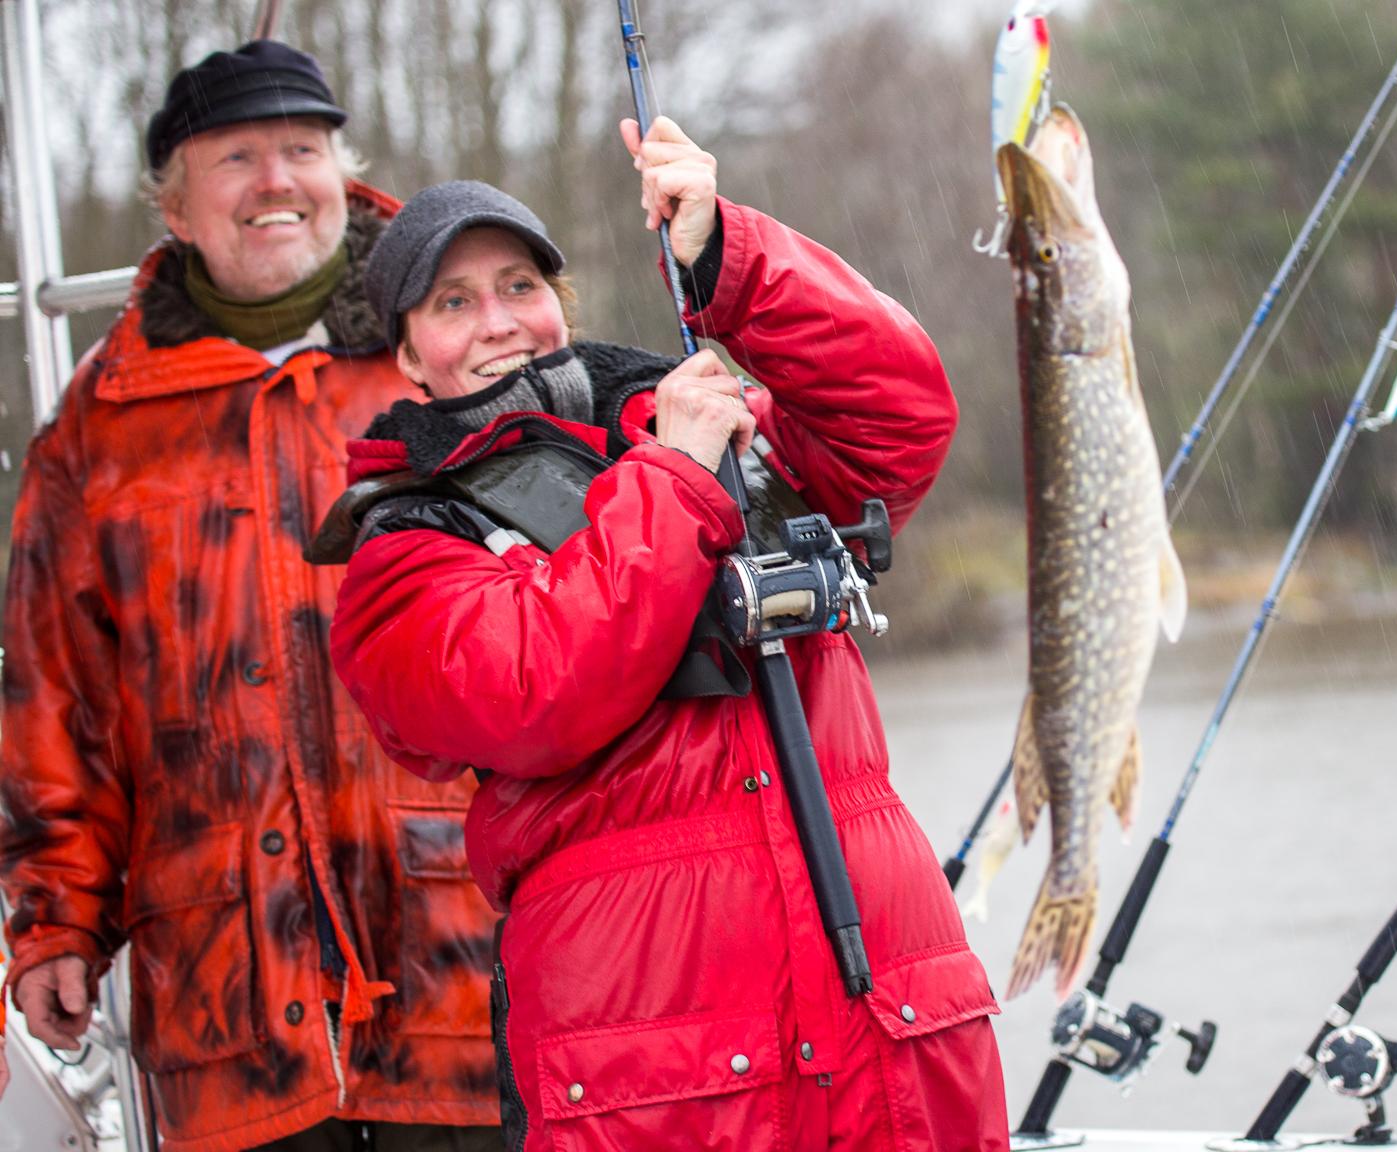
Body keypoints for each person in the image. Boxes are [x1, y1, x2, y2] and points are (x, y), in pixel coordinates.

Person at [319, 115, 1005, 1149]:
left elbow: (899, 413)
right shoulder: (402, 553)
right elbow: (536, 692)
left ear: (559, 304)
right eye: (452, 303)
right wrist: (677, 481)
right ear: (407, 353)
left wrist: (728, 257)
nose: (498, 320)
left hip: (888, 1014)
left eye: (519, 286)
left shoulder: (708, 425)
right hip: (655, 1066)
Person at [0, 42, 499, 1152]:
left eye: (302, 150)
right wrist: (56, 924)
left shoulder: (462, 350)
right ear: (173, 204)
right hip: (229, 1030)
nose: (277, 180)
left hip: (470, 989)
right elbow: (55, 713)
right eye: (237, 157)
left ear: (341, 170)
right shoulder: (93, 433)